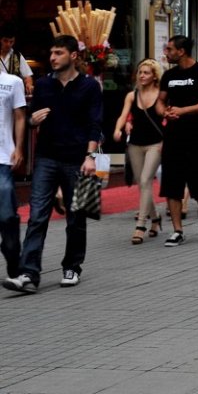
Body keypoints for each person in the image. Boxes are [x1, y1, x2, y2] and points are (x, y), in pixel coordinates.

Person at [3, 35, 101, 293]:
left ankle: (72, 266)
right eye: (52, 53)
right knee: (37, 216)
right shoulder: (44, 84)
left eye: (59, 53)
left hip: (77, 159)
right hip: (46, 158)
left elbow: (95, 124)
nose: (53, 57)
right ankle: (29, 274)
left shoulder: (89, 86)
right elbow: (29, 118)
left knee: (76, 216)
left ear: (73, 56)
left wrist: (91, 157)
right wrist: (33, 121)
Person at [157, 35, 198, 247]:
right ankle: (177, 230)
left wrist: (183, 111)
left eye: (169, 49)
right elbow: (160, 101)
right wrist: (165, 113)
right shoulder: (168, 75)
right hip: (173, 136)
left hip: (196, 136)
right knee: (172, 184)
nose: (166, 52)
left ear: (181, 51)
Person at [112, 59, 164, 244]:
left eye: (146, 72)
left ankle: (141, 225)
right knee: (142, 183)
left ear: (154, 76)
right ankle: (156, 218)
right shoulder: (132, 95)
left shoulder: (161, 95)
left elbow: (167, 119)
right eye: (140, 72)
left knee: (145, 180)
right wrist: (118, 129)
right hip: (135, 144)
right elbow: (123, 115)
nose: (142, 76)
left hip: (155, 144)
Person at [0, 62, 26, 279]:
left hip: (3, 158)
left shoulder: (12, 82)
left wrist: (18, 148)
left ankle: (12, 256)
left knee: (7, 215)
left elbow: (19, 116)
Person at [0, 25, 33, 97]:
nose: (8, 44)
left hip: (13, 93)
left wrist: (29, 84)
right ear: (0, 40)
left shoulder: (17, 56)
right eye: (5, 41)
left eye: (11, 42)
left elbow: (27, 76)